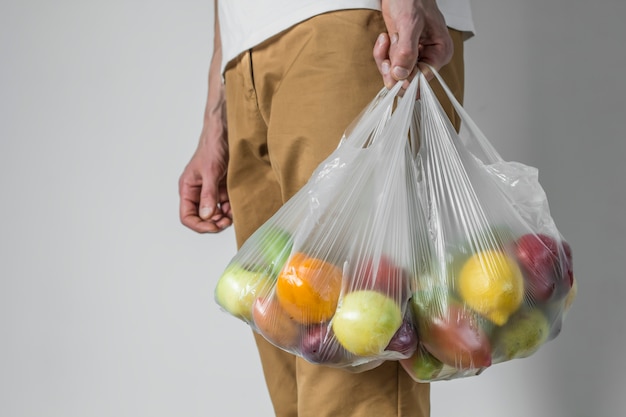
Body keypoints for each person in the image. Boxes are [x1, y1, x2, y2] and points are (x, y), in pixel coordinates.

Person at [179, 1, 474, 416]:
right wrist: (217, 111)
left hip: (353, 24)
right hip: (247, 51)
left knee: (357, 371)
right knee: (296, 362)